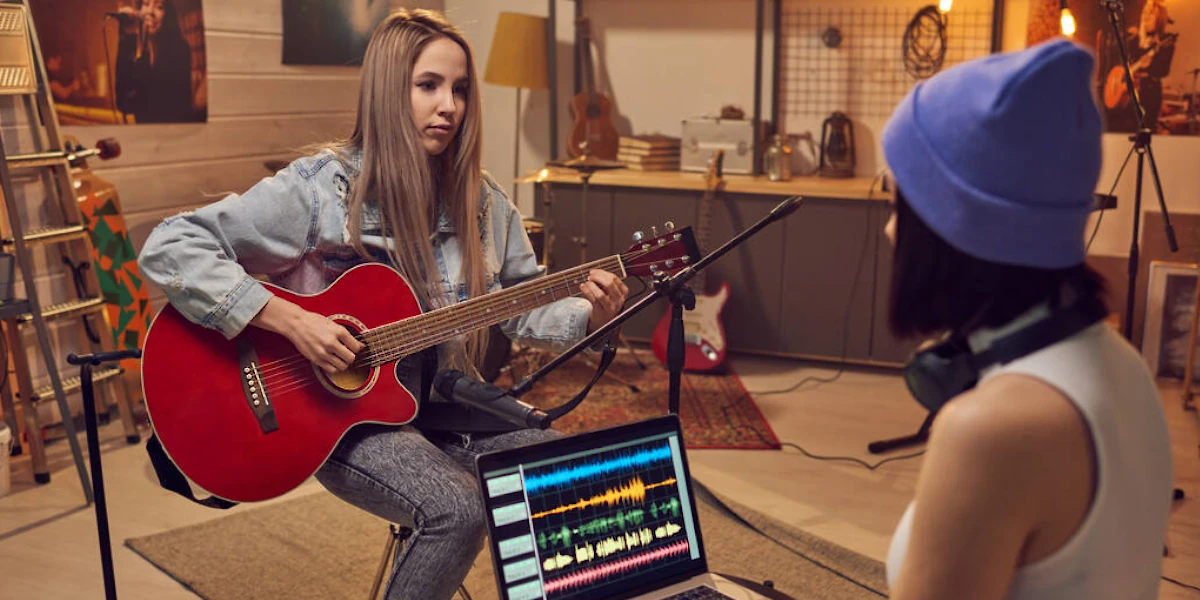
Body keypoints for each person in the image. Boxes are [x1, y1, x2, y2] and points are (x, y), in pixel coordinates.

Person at [136, 9, 628, 599]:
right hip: (338, 418)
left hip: (442, 400)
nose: (449, 105)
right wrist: (295, 322)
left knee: (573, 475)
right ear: (389, 89)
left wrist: (594, 316)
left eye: (461, 89)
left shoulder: (484, 203)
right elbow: (171, 245)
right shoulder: (320, 188)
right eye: (429, 86)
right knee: (458, 509)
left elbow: (515, 307)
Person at [879, 38, 1173, 599]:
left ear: (952, 226)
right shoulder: (1125, 366)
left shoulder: (991, 430)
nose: (890, 230)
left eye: (898, 201)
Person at [1101, 0, 1177, 132]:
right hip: (1126, 97)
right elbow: (1118, 66)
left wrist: (1149, 68)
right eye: (1145, 13)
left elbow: (1164, 71)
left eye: (1151, 14)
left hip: (1149, 94)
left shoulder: (1166, 44)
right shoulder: (1132, 41)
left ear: (1159, 20)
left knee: (1145, 129)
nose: (1146, 17)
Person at [114, 0, 195, 123]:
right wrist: (127, 39)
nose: (150, 12)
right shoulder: (137, 47)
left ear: (168, 14)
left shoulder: (180, 49)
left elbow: (172, 107)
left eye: (159, 7)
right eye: (146, 4)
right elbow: (124, 104)